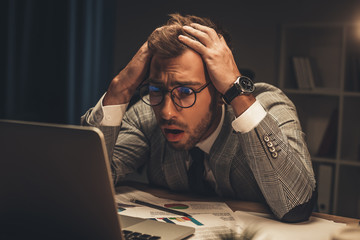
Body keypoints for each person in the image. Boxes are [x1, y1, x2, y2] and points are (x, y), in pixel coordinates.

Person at [81, 13, 317, 223]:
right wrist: (119, 88)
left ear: (218, 93)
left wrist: (236, 92)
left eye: (185, 92)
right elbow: (85, 184)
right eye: (156, 91)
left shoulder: (267, 108)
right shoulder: (145, 117)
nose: (166, 112)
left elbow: (295, 205)